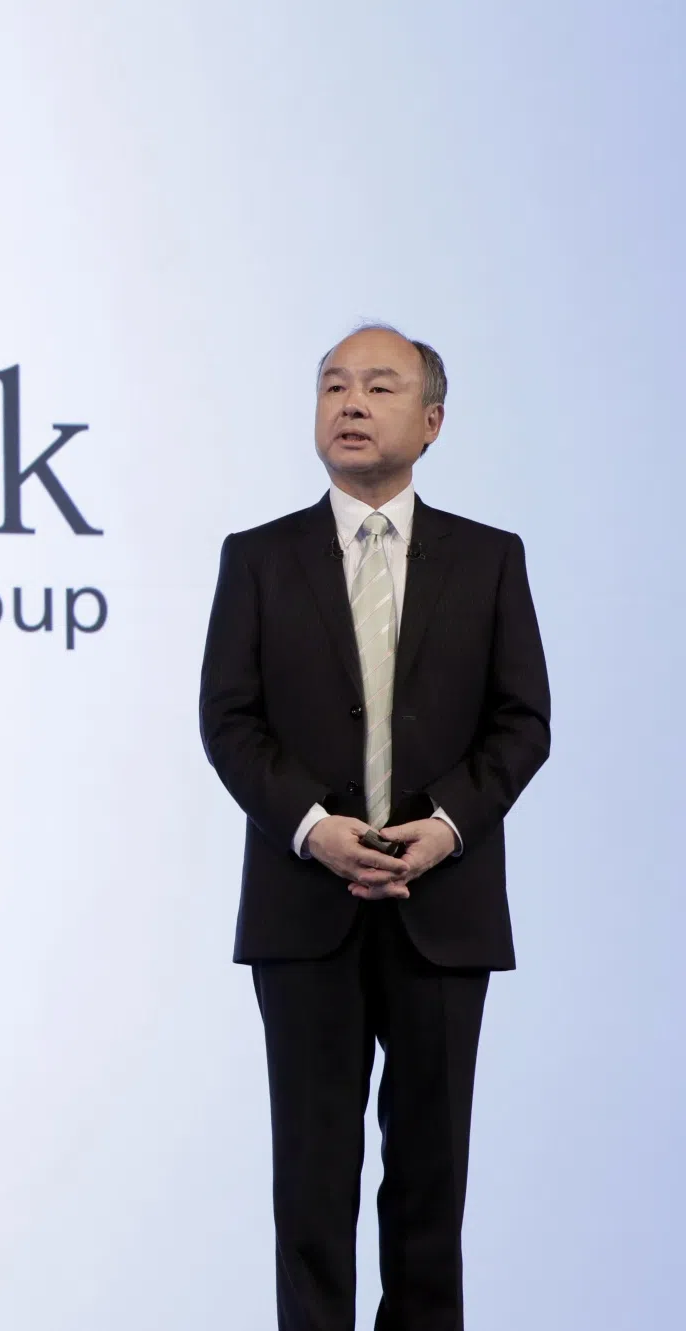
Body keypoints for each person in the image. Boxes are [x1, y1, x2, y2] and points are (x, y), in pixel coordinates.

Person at [198, 324, 551, 1330]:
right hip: (303, 905)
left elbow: (522, 721)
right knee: (310, 1184)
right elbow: (227, 719)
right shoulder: (257, 557)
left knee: (431, 1188)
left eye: (378, 386)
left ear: (430, 422)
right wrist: (312, 826)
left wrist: (448, 825)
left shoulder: (489, 559)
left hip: (443, 904)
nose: (349, 403)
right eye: (333, 386)